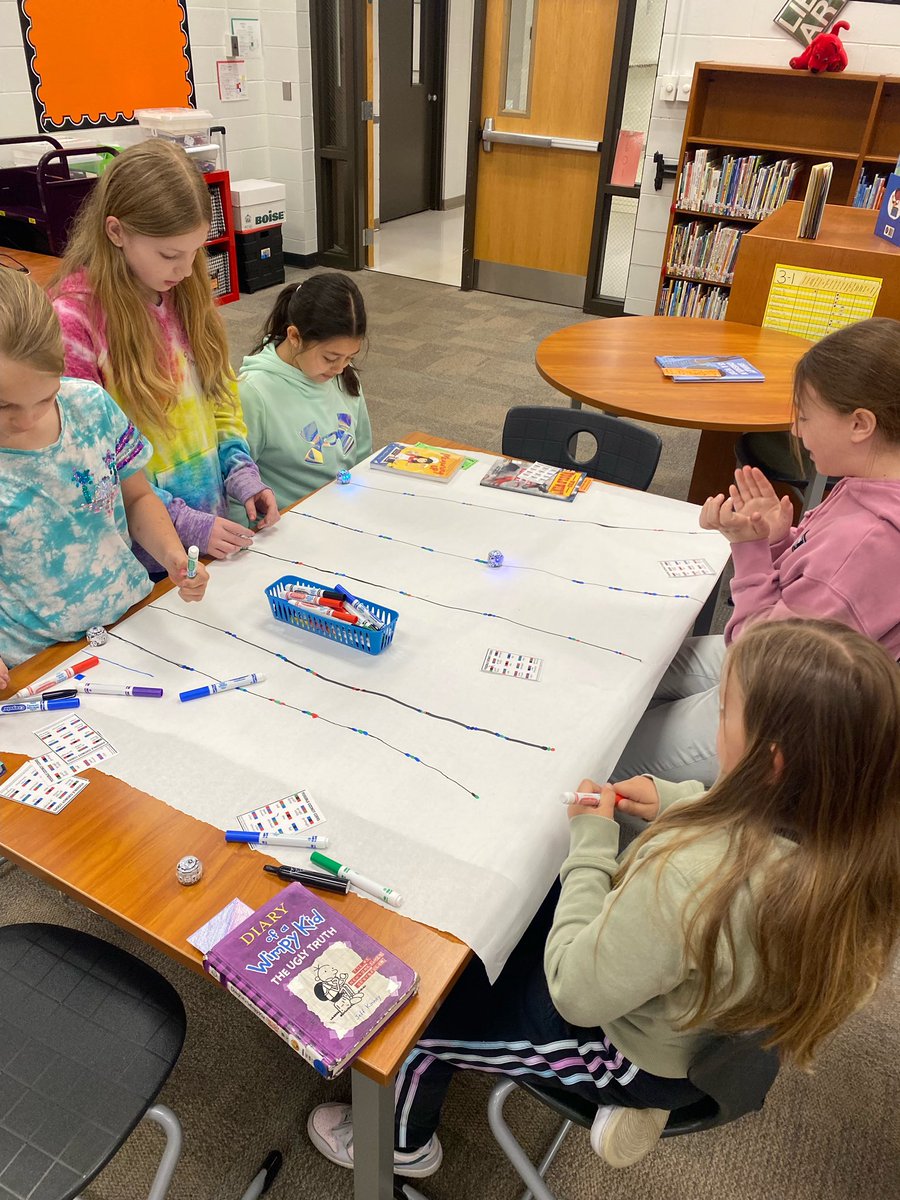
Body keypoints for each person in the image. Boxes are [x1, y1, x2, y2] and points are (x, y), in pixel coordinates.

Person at [307, 618, 900, 1177]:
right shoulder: (847, 850)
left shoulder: (693, 879)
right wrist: (675, 800)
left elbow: (575, 993)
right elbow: (734, 830)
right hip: (688, 1012)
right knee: (516, 914)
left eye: (723, 714)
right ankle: (645, 1085)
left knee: (409, 1017)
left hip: (623, 1041)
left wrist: (591, 843)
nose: (715, 725)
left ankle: (402, 1145)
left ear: (772, 764)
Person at [615, 316, 900, 786]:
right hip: (790, 658)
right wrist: (775, 543)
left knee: (609, 754)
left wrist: (748, 551)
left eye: (805, 416)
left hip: (791, 708)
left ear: (860, 424)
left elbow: (757, 655)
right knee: (634, 673)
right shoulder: (867, 485)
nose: (795, 428)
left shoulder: (868, 540)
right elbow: (817, 594)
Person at [51, 139, 278, 575]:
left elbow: (220, 396)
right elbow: (91, 465)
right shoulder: (73, 321)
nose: (188, 268)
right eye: (171, 254)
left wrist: (241, 472)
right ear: (116, 232)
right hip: (137, 557)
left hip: (207, 536)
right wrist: (183, 524)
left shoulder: (185, 292)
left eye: (196, 250)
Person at [0, 268, 209, 686]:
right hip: (37, 661)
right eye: (2, 406)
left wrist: (170, 553)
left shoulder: (91, 406)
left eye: (44, 397)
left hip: (131, 617)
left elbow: (135, 497)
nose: (26, 420)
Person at [227, 273, 371, 523]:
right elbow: (235, 480)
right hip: (286, 529)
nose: (340, 368)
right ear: (294, 337)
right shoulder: (254, 392)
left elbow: (362, 456)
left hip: (344, 517)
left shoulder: (343, 378)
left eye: (350, 358)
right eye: (330, 358)